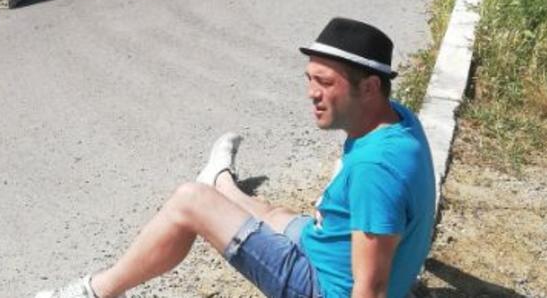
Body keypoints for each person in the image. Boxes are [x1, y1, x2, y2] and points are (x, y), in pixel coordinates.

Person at [36, 17, 436, 298]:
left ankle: (97, 292)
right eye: (309, 79)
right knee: (273, 214)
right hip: (327, 248)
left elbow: (371, 289)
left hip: (316, 286)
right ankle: (222, 182)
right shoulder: (397, 120)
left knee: (188, 201)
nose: (311, 93)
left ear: (368, 88)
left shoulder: (375, 171)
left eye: (325, 83)